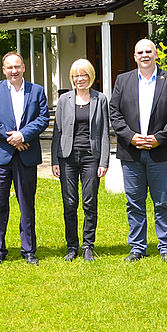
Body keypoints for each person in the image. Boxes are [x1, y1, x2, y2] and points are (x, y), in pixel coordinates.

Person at [109, 38, 167, 263]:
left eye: (148, 51)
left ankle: (166, 247)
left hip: (160, 152)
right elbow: (115, 113)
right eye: (140, 52)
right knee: (134, 202)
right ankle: (137, 247)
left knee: (162, 202)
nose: (144, 55)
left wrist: (158, 139)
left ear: (156, 55)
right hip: (131, 152)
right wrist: (131, 137)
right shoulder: (123, 81)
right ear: (134, 57)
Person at [0, 52, 50, 265]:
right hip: (0, 155)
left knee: (27, 204)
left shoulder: (37, 90)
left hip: (26, 156)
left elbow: (43, 118)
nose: (14, 70)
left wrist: (23, 135)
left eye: (17, 66)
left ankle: (29, 250)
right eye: (9, 67)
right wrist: (12, 137)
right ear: (4, 70)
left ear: (23, 68)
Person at [51, 59, 110, 262]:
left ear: (90, 76)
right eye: (75, 76)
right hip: (66, 157)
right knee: (69, 202)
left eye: (83, 75)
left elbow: (104, 133)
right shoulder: (64, 99)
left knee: (89, 201)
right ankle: (72, 246)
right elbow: (57, 132)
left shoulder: (100, 99)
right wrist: (54, 161)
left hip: (91, 157)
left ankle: (88, 245)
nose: (79, 79)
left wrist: (104, 161)